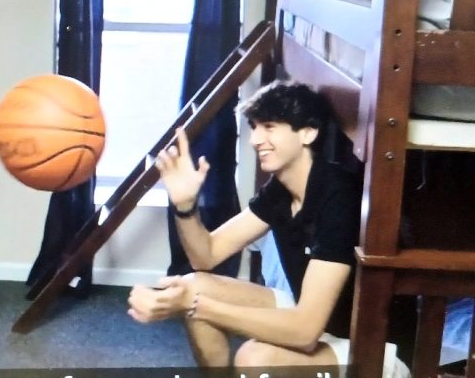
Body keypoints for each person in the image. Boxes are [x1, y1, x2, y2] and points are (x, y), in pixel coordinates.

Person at [128, 81, 404, 376]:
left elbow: (305, 331)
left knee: (253, 358)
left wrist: (196, 306)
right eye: (254, 127)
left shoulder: (339, 197)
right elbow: (205, 255)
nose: (255, 139)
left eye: (269, 127)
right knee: (194, 284)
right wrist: (185, 206)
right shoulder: (281, 189)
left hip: (368, 347)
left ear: (308, 132)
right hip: (313, 319)